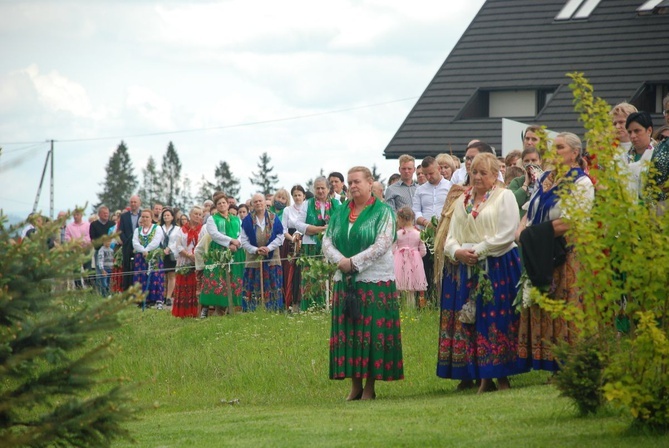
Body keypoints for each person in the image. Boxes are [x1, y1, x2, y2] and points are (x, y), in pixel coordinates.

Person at [437, 153, 525, 393]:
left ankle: (503, 376)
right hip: (470, 266)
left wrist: (478, 249)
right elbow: (451, 236)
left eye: (483, 173)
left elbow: (507, 233)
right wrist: (458, 252)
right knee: (474, 320)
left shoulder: (504, 196)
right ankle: (483, 376)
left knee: (498, 319)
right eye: (474, 172)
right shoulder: (463, 200)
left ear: (495, 174)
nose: (477, 177)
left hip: (499, 265)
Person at [323, 166, 403, 400]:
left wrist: (354, 262)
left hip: (374, 281)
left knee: (371, 333)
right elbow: (327, 241)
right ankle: (355, 385)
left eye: (357, 181)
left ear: (370, 184)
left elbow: (382, 244)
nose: (353, 186)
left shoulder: (383, 212)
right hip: (346, 281)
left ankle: (370, 386)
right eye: (350, 182)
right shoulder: (339, 213)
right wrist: (340, 261)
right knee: (350, 333)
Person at [516, 132, 594, 372]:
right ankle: (547, 361)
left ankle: (567, 363)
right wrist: (521, 232)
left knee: (564, 303)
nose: (555, 152)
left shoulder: (582, 182)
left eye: (560, 147)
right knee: (545, 303)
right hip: (540, 247)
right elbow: (530, 209)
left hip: (567, 251)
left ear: (574, 153)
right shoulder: (546, 178)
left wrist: (534, 235)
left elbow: (571, 221)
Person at [295, 177, 340, 310]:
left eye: (323, 188)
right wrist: (317, 229)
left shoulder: (337, 204)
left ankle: (329, 305)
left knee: (329, 275)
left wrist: (330, 229)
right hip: (310, 245)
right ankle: (311, 306)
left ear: (328, 189)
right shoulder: (307, 204)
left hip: (331, 245)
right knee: (311, 276)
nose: (320, 191)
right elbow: (298, 223)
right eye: (317, 188)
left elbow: (341, 223)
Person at [412, 156, 452, 298]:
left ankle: (444, 297)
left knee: (444, 267)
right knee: (427, 267)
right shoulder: (420, 190)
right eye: (425, 174)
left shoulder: (450, 187)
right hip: (426, 235)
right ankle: (429, 300)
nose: (428, 177)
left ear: (439, 169)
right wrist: (424, 222)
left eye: (431, 173)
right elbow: (415, 211)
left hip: (446, 234)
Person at [199, 193, 244, 317]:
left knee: (235, 277)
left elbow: (241, 232)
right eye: (219, 203)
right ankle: (219, 309)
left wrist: (237, 242)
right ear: (216, 206)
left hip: (236, 251)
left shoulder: (236, 218)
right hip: (219, 251)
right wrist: (230, 241)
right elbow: (214, 234)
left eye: (224, 202)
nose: (222, 205)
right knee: (220, 279)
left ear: (228, 204)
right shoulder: (212, 219)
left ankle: (234, 308)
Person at [241, 193, 285, 310]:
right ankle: (252, 309)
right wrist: (256, 250)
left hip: (272, 258)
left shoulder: (274, 218)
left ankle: (274, 308)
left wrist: (269, 248)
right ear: (252, 204)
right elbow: (244, 241)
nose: (258, 203)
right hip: (253, 258)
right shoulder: (247, 221)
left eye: (260, 201)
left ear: (265, 203)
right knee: (253, 285)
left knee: (272, 284)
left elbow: (281, 236)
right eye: (255, 202)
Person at [172, 207, 204, 318]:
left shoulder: (203, 229)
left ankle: (196, 312)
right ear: (190, 215)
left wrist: (197, 256)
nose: (198, 216)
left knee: (196, 287)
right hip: (184, 261)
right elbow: (178, 245)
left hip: (198, 261)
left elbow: (204, 244)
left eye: (200, 214)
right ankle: (183, 312)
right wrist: (188, 255)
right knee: (184, 287)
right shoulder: (182, 230)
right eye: (196, 214)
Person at [392, 206, 427, 309]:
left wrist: (398, 254)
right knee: (411, 289)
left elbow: (392, 250)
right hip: (414, 263)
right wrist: (416, 256)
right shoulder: (419, 234)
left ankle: (397, 308)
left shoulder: (398, 234)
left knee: (398, 286)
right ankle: (410, 309)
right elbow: (423, 251)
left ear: (401, 219)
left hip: (400, 261)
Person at [132, 209, 165, 308]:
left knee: (154, 275)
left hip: (154, 256)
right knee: (141, 276)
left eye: (147, 217)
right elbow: (135, 242)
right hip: (141, 257)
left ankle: (155, 299)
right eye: (143, 217)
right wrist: (143, 251)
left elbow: (156, 241)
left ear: (151, 218)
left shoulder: (157, 228)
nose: (145, 219)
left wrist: (147, 250)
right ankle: (141, 299)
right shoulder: (137, 230)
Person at [282, 185, 307, 311]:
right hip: (290, 242)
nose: (297, 197)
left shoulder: (307, 208)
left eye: (299, 195)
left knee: (302, 272)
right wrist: (292, 239)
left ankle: (303, 301)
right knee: (290, 272)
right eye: (295, 195)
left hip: (305, 241)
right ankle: (291, 302)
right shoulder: (287, 210)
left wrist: (301, 238)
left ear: (304, 196)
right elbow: (283, 229)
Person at [625, 111, 654, 200]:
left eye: (637, 131)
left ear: (649, 130)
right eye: (630, 132)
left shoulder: (657, 156)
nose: (633, 136)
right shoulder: (623, 158)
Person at [508, 147, 543, 217]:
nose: (530, 163)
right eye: (526, 161)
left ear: (540, 161)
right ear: (522, 163)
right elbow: (511, 203)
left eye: (534, 160)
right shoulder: (517, 182)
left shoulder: (547, 179)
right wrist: (525, 184)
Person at [89, 205, 115, 295]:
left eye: (107, 213)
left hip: (110, 252)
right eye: (104, 213)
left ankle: (109, 292)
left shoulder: (112, 224)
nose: (106, 215)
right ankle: (101, 293)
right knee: (100, 272)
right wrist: (103, 244)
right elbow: (93, 239)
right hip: (99, 251)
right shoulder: (94, 225)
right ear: (99, 214)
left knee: (110, 273)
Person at [65, 207, 92, 289]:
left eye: (77, 214)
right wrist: (75, 243)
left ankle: (89, 287)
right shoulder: (69, 226)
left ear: (81, 215)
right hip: (74, 250)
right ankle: (78, 288)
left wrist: (82, 242)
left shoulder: (87, 225)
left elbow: (89, 236)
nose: (75, 216)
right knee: (76, 270)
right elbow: (67, 237)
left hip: (85, 249)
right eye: (74, 215)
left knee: (88, 269)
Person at [119, 195, 142, 291]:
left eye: (135, 202)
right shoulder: (124, 216)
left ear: (139, 203)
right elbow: (121, 231)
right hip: (127, 246)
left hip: (140, 245)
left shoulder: (143, 215)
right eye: (131, 202)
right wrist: (127, 242)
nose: (133, 204)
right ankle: (126, 291)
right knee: (127, 268)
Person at [160, 208, 178, 307]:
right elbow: (157, 239)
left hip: (171, 254)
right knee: (162, 275)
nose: (166, 217)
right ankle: (161, 295)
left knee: (171, 275)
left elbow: (177, 241)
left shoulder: (177, 229)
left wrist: (169, 248)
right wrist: (161, 249)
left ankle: (168, 297)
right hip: (161, 253)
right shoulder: (159, 228)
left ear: (172, 217)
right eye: (164, 215)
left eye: (168, 215)